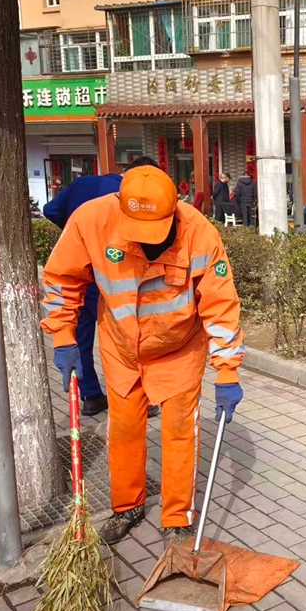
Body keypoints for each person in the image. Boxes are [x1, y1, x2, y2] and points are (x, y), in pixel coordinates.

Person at [41, 165, 246, 545]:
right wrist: (63, 335)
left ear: (175, 209)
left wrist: (227, 370)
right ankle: (127, 506)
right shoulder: (92, 221)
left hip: (178, 349)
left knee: (180, 432)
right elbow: (62, 279)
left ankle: (177, 518)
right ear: (121, 206)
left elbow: (220, 304)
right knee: (123, 430)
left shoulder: (198, 232)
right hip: (121, 347)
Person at [42, 155, 159, 417]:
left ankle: (91, 396)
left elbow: (50, 210)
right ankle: (142, 397)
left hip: (80, 274)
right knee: (127, 337)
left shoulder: (82, 184)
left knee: (80, 339)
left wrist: (74, 233)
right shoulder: (132, 195)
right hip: (112, 275)